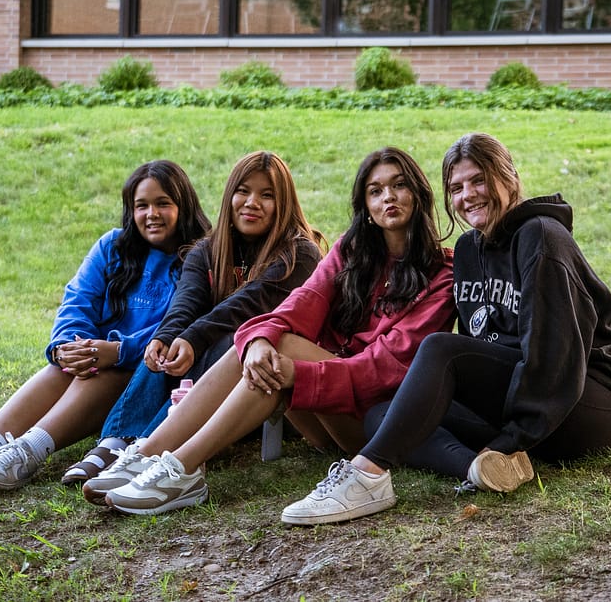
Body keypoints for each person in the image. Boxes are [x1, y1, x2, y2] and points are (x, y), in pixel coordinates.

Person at [281, 132, 611, 525]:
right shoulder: (470, 251)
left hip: (589, 403)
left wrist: (509, 439)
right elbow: (484, 350)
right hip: (523, 395)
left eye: (479, 180)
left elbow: (556, 357)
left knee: (443, 348)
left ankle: (368, 476)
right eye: (456, 187)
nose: (468, 195)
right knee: (381, 414)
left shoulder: (541, 237)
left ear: (510, 178)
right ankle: (480, 469)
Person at [86, 147, 456, 515]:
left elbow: (384, 370)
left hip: (374, 423)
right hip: (322, 412)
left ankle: (181, 468)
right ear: (365, 205)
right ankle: (149, 453)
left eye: (399, 186)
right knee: (262, 342)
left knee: (281, 350)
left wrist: (299, 370)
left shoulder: (443, 273)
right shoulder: (351, 252)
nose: (387, 197)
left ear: (420, 196)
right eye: (375, 190)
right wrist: (260, 339)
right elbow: (301, 303)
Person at [0, 160, 211, 490]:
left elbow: (180, 323)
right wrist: (69, 346)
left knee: (106, 368)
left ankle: (27, 451)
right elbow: (78, 300)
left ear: (183, 206)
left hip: (148, 373)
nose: (151, 214)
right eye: (142, 205)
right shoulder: (112, 247)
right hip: (93, 360)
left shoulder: (198, 257)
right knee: (63, 367)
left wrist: (117, 350)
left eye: (163, 204)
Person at [61, 151, 324, 484]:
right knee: (166, 340)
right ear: (230, 195)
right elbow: (185, 303)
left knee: (236, 337)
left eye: (267, 194)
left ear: (284, 202)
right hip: (204, 382)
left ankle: (150, 444)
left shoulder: (300, 253)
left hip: (263, 392)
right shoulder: (207, 250)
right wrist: (167, 337)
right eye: (243, 191)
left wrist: (192, 337)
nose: (251, 202)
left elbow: (248, 304)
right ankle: (116, 442)